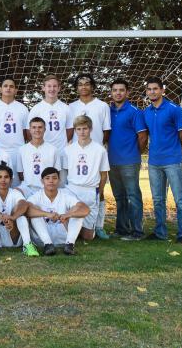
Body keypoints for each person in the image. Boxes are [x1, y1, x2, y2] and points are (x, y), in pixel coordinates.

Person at [144, 76, 182, 243]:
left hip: (173, 160)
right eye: (149, 89)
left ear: (162, 90)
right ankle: (160, 232)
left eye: (155, 89)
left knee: (179, 198)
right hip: (154, 162)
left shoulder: (174, 109)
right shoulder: (147, 112)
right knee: (158, 199)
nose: (152, 92)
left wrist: (176, 148)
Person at [68, 73, 111, 239]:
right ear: (77, 88)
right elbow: (70, 130)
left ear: (92, 86)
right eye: (80, 84)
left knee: (99, 192)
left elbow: (106, 131)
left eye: (87, 84)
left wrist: (97, 146)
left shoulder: (102, 106)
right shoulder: (71, 107)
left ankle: (99, 226)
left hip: (95, 153)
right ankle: (73, 223)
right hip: (78, 152)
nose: (84, 87)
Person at [109, 79, 147, 240]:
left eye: (121, 90)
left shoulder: (134, 112)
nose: (118, 93)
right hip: (111, 161)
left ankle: (137, 231)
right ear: (111, 93)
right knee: (119, 197)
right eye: (115, 90)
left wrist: (134, 153)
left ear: (127, 92)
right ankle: (122, 228)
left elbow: (143, 136)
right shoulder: (107, 111)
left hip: (130, 161)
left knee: (133, 196)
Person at [62, 115, 110, 241]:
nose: (82, 132)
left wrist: (99, 192)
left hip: (89, 190)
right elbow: (66, 171)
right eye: (78, 129)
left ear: (90, 129)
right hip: (72, 189)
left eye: (85, 129)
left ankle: (90, 228)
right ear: (75, 130)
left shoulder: (100, 150)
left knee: (87, 237)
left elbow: (104, 174)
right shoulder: (68, 150)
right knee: (68, 231)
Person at [27, 167, 89, 256]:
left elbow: (85, 209)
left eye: (54, 178)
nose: (51, 181)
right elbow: (26, 211)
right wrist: (47, 214)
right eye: (47, 178)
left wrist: (68, 215)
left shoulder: (65, 194)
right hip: (42, 236)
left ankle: (70, 244)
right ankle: (47, 244)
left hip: (62, 235)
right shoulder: (36, 196)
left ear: (59, 180)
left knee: (77, 212)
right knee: (34, 210)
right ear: (42, 181)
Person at [0, 163, 39, 257]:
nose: (3, 180)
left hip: (13, 232)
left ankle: (27, 244)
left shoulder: (15, 192)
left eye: (6, 177)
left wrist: (12, 217)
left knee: (20, 214)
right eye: (0, 177)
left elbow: (23, 204)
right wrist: (2, 216)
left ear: (11, 180)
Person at [0, 77, 29, 182]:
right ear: (0, 89)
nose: (8, 88)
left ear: (16, 90)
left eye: (11, 86)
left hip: (18, 150)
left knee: (17, 183)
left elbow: (26, 132)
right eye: (5, 86)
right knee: (0, 182)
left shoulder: (23, 109)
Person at [17, 117, 62, 198]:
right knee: (15, 194)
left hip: (45, 188)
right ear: (29, 129)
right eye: (34, 127)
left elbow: (57, 172)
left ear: (45, 129)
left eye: (40, 127)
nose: (37, 130)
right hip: (27, 187)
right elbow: (20, 173)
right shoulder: (22, 149)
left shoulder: (53, 149)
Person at [28, 75, 73, 151]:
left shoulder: (66, 108)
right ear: (43, 88)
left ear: (59, 88)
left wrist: (62, 143)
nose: (52, 89)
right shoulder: (36, 109)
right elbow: (29, 131)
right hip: (42, 151)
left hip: (61, 151)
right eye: (49, 86)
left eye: (55, 86)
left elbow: (70, 130)